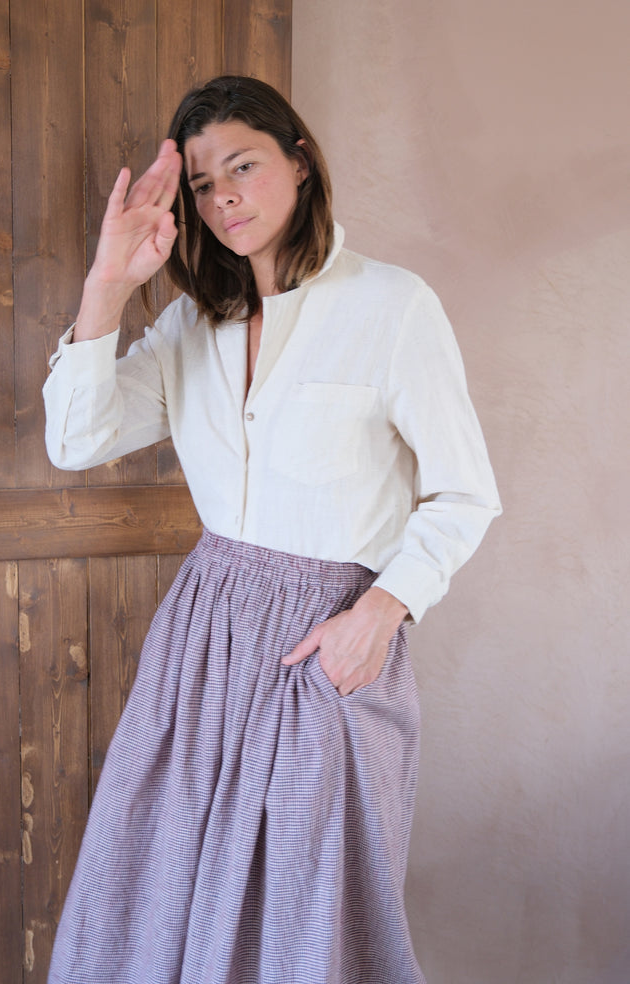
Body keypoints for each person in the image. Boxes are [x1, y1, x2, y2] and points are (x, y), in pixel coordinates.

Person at [43, 75, 501, 984]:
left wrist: (379, 614)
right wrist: (106, 286)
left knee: (300, 907)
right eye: (203, 183)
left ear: (299, 163)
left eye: (242, 167)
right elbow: (75, 441)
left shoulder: (391, 305)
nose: (223, 197)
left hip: (324, 640)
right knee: (153, 884)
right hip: (203, 637)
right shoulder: (189, 325)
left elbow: (465, 493)